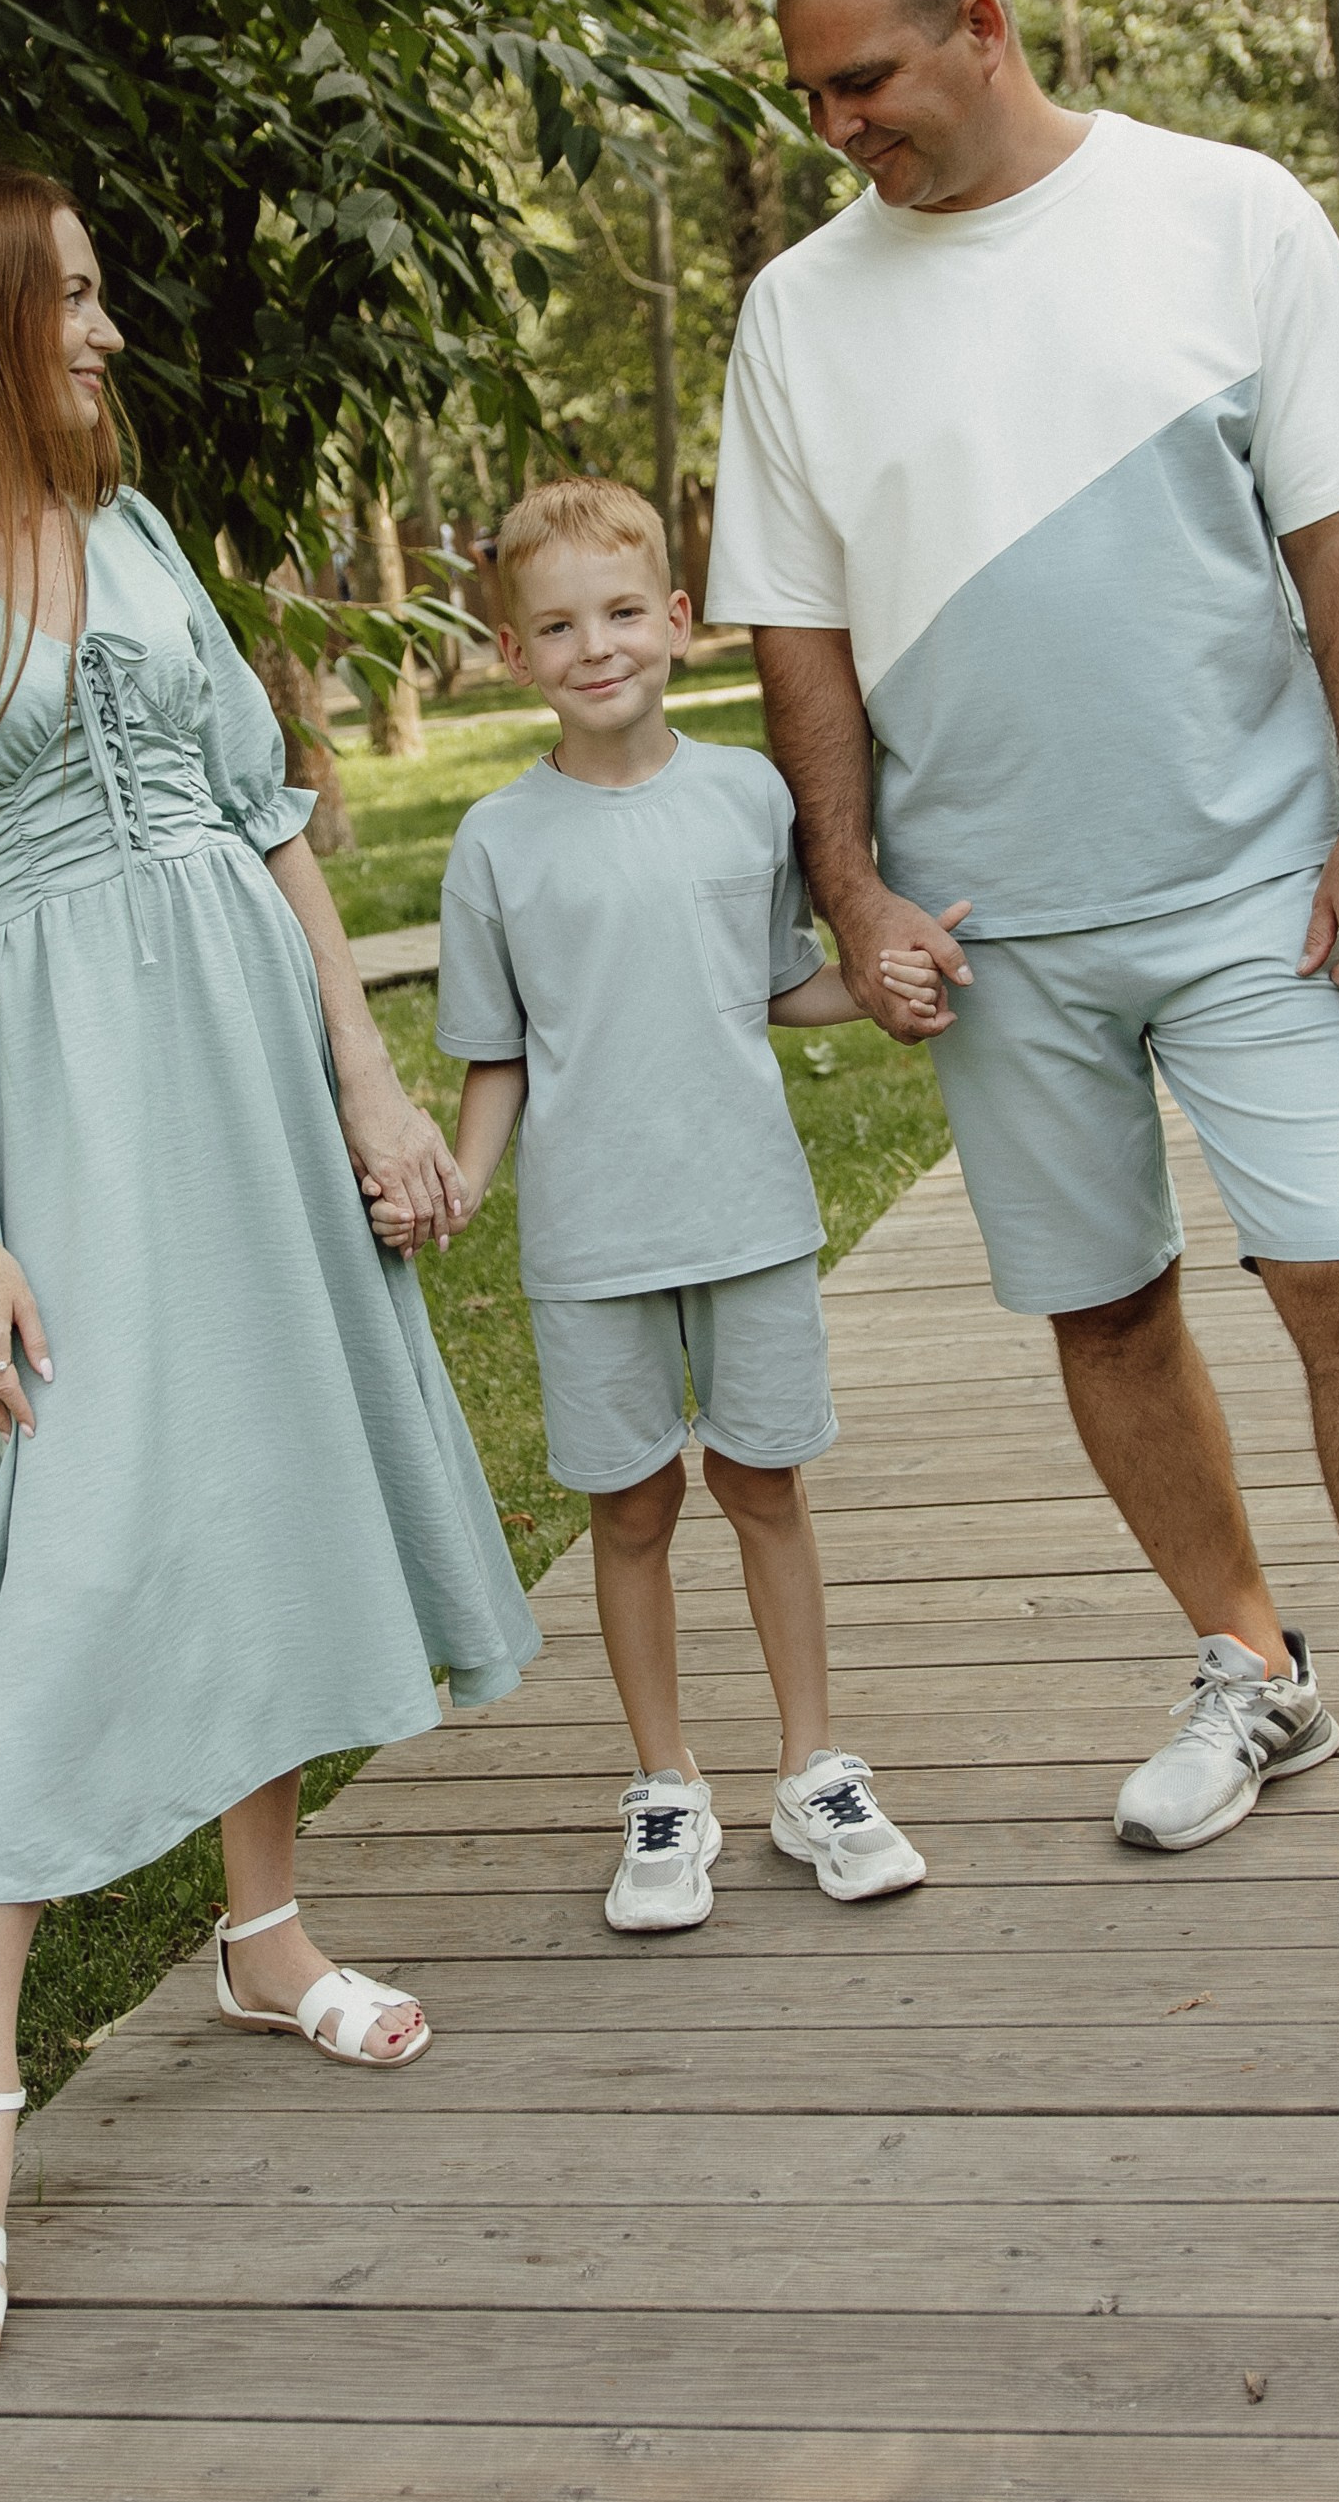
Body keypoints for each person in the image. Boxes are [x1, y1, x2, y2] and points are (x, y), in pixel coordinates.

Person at [705, 0, 1339, 1981]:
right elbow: (801, 638)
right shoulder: (795, 314)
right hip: (991, 928)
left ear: (985, 23)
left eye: (866, 82)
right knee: (1104, 1312)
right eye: (809, 100)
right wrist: (850, 885)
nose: (838, 127)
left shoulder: (1222, 214)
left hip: (1253, 891)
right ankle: (1249, 1666)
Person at [0, 154, 540, 2378]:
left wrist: (371, 1084)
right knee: (82, 1550)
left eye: (102, 293)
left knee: (265, 1482)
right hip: (75, 1101)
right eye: (72, 297)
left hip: (245, 1049)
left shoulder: (133, 538)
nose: (105, 330)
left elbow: (268, 816)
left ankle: (268, 1932)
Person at [377, 475, 932, 1929]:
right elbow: (495, 1055)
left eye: (622, 611)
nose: (595, 645)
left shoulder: (748, 794)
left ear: (677, 621)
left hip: (747, 1213)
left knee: (763, 1486)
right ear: (512, 652)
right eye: (556, 625)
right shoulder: (495, 843)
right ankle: (664, 1785)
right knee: (627, 1510)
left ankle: (813, 1768)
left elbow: (777, 982)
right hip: (590, 1239)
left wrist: (875, 986)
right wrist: (463, 1182)